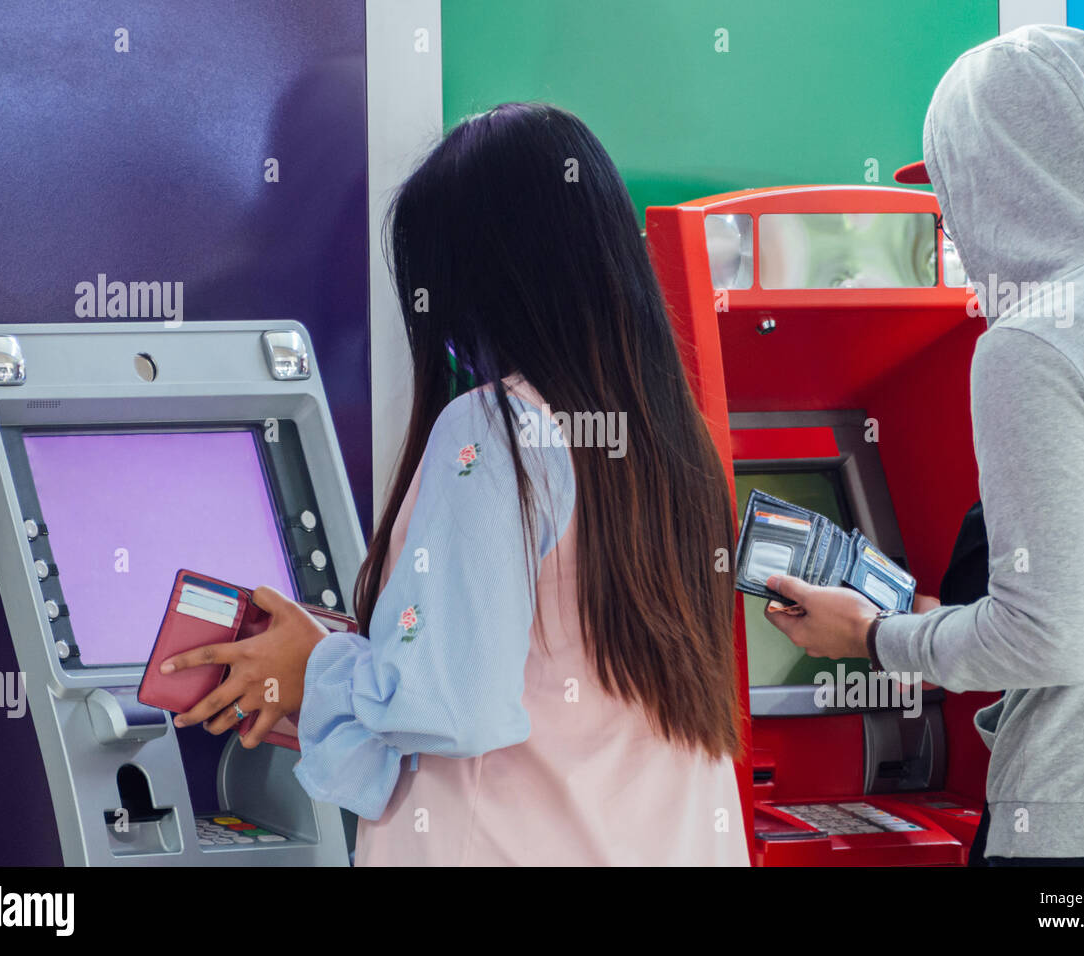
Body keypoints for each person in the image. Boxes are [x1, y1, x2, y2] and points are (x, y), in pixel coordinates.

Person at [162, 102, 750, 866]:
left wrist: (315, 668)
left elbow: (447, 703)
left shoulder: (495, 431)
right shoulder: (676, 441)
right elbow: (532, 672)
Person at [762, 25, 1084, 864]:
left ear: (998, 181)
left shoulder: (1038, 342)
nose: (955, 234)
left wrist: (870, 636)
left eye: (952, 199)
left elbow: (1051, 640)